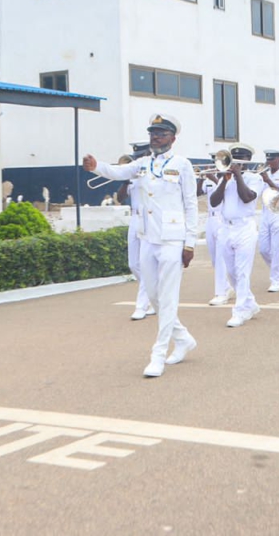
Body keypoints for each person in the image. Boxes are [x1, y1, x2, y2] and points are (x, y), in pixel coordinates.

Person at [84, 114, 198, 377]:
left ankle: (157, 355)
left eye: (161, 133)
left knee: (168, 299)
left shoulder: (182, 165)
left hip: (172, 239)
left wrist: (189, 243)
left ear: (173, 138)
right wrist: (96, 166)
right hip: (148, 238)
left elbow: (191, 205)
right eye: (153, 133)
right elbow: (117, 172)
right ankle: (183, 339)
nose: (155, 137)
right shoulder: (142, 164)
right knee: (154, 296)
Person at [209, 144, 264, 327]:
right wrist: (224, 180)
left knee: (241, 272)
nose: (237, 163)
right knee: (231, 272)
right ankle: (250, 302)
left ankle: (239, 311)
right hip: (226, 228)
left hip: (245, 227)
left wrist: (238, 175)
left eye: (241, 159)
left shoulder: (255, 178)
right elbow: (214, 201)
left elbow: (247, 197)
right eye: (235, 158)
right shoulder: (225, 178)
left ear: (247, 161)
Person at [117, 141, 155, 320]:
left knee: (145, 262)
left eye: (142, 155)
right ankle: (152, 292)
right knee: (133, 264)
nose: (139, 159)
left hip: (150, 219)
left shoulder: (154, 171)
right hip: (134, 218)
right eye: (137, 156)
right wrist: (126, 181)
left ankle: (142, 305)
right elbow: (120, 198)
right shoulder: (132, 171)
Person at [198, 153, 232, 306]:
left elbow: (225, 191)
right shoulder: (209, 179)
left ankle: (221, 292)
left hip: (221, 217)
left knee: (220, 257)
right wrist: (200, 177)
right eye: (214, 161)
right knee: (214, 258)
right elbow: (199, 193)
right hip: (210, 219)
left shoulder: (227, 178)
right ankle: (226, 286)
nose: (216, 163)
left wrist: (214, 178)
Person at [258, 149, 279, 292]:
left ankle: (275, 280)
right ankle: (277, 268)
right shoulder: (262, 174)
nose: (270, 163)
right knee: (263, 249)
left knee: (276, 249)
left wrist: (268, 181)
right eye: (268, 160)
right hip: (265, 213)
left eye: (272, 160)